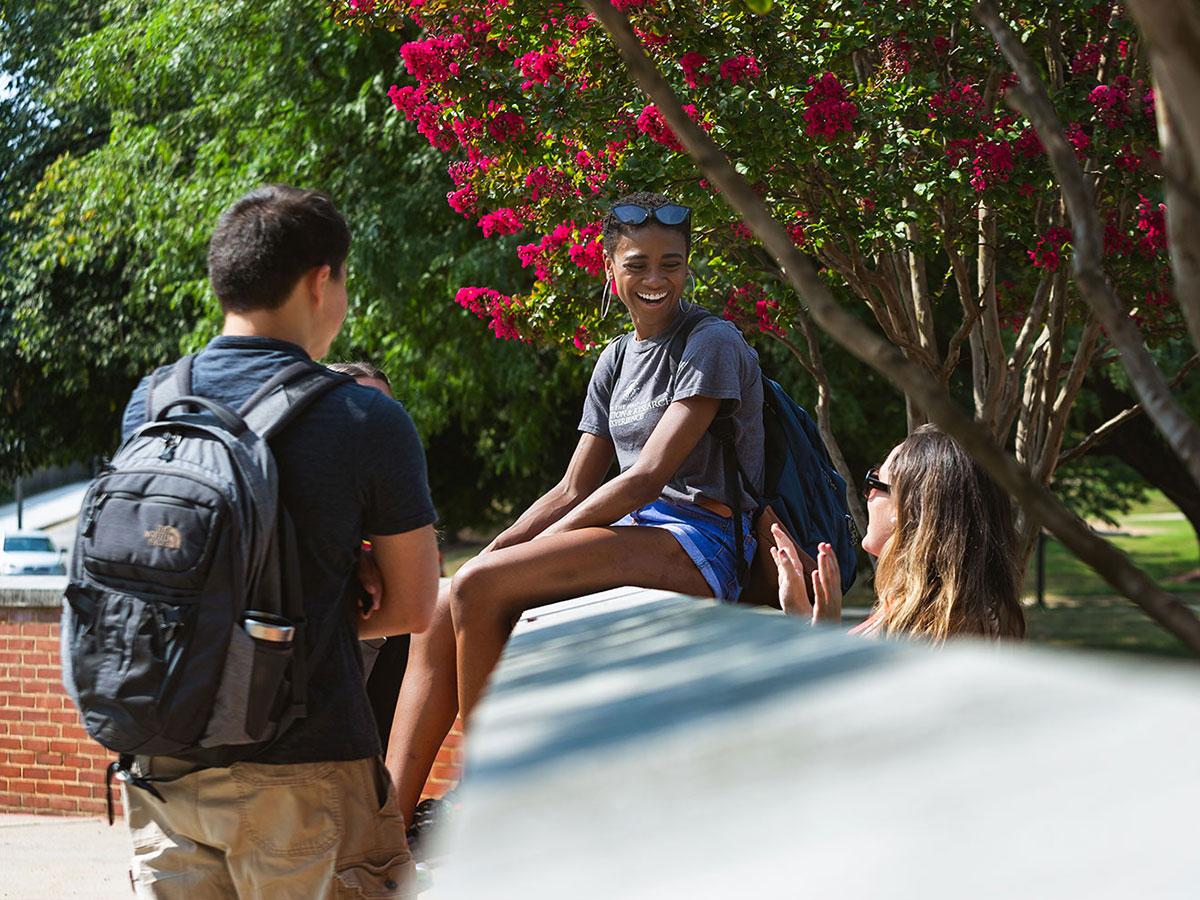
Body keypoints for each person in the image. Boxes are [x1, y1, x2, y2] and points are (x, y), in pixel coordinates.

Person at [386, 191, 765, 833]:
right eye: (638, 263)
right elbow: (569, 489)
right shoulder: (616, 358)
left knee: (482, 585)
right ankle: (386, 823)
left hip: (704, 540)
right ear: (609, 267)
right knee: (452, 595)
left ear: (688, 264)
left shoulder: (712, 342)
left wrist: (521, 559)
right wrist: (499, 550)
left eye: (670, 263)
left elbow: (647, 477)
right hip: (637, 532)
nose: (655, 278)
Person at [117, 186, 440, 898]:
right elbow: (415, 606)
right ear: (320, 280)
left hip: (162, 762)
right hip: (307, 772)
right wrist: (321, 602)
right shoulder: (364, 419)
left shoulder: (154, 401)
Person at [773, 424, 1025, 641]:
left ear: (907, 509)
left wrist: (818, 637)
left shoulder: (933, 632)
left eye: (874, 483)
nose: (866, 494)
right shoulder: (946, 614)